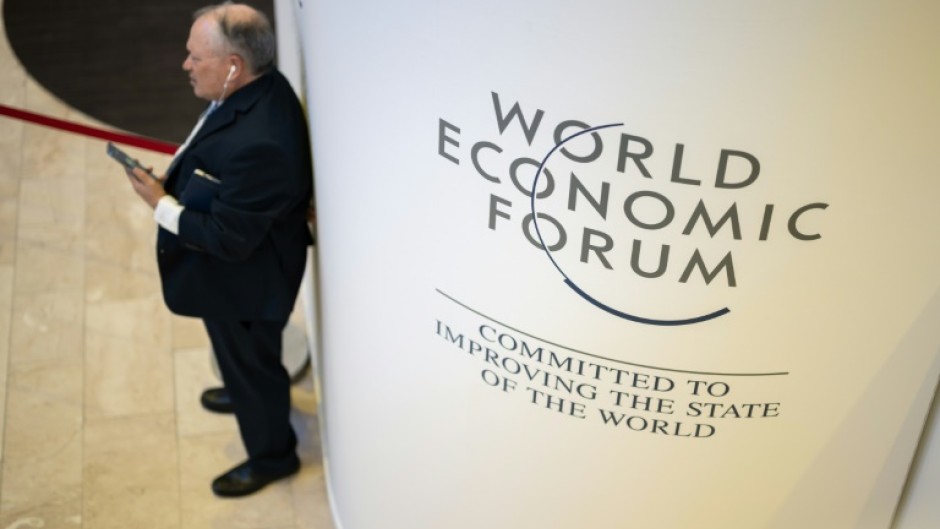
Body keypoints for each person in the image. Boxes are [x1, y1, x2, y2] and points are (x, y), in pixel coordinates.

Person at [124, 1, 313, 497]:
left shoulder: (262, 143)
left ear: (233, 65)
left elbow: (230, 240)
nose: (185, 65)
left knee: (254, 363)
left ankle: (273, 456)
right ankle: (239, 386)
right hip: (236, 277)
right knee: (238, 356)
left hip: (246, 285)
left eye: (195, 57)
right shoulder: (257, 87)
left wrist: (160, 204)